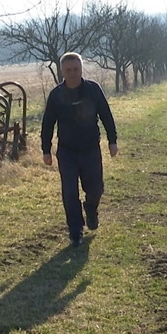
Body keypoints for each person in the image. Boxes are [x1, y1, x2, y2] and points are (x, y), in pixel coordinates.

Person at [41, 52, 118, 247]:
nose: (73, 73)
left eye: (76, 69)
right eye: (68, 70)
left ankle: (91, 209)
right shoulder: (56, 95)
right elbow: (48, 123)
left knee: (96, 189)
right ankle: (75, 231)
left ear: (81, 69)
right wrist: (46, 149)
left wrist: (112, 140)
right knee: (69, 192)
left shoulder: (93, 90)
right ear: (62, 71)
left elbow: (106, 115)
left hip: (91, 149)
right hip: (67, 152)